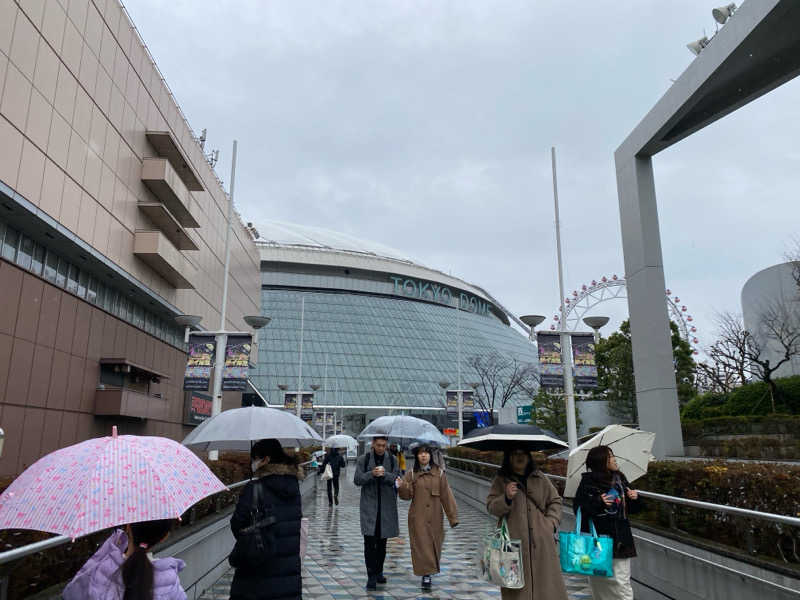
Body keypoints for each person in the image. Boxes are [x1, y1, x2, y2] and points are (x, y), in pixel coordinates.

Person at [486, 447, 569, 600]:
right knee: (516, 590)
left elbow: (555, 501)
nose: (520, 457)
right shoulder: (501, 479)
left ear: (529, 456)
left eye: (523, 453)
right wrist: (506, 497)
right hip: (512, 544)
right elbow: (491, 506)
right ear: (508, 458)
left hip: (542, 544)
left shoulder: (540, 478)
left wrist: (551, 523)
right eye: (515, 454)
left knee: (546, 588)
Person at [229, 439, 304, 600]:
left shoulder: (254, 488)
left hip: (257, 569)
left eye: (255, 458)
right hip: (287, 570)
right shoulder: (293, 485)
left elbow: (237, 524)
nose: (253, 463)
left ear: (266, 459)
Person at [573, 445, 642, 600]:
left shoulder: (620, 479)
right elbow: (578, 510)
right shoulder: (588, 483)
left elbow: (634, 509)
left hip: (621, 540)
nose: (614, 459)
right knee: (599, 582)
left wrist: (635, 498)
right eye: (610, 456)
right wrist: (598, 502)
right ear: (600, 461)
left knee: (621, 583)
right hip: (598, 541)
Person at [63, 519, 186, 599]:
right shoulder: (169, 582)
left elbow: (71, 594)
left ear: (127, 527)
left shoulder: (103, 570)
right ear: (164, 537)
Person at [398, 445, 459, 590]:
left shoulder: (439, 474)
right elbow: (406, 496)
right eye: (420, 453)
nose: (423, 456)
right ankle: (426, 575)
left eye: (426, 453)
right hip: (418, 517)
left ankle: (429, 572)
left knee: (434, 545)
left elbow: (447, 496)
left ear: (430, 456)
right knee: (422, 546)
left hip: (435, 518)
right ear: (416, 456)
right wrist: (402, 486)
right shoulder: (411, 474)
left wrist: (453, 517)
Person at [354, 436, 401, 590]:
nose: (381, 448)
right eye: (378, 445)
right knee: (369, 544)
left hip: (386, 508)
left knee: (382, 544)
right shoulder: (364, 459)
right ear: (373, 444)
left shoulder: (393, 459)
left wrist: (385, 475)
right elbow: (357, 480)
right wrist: (371, 474)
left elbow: (396, 478)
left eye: (383, 445)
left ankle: (379, 571)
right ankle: (371, 576)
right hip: (369, 508)